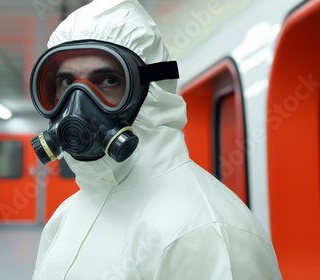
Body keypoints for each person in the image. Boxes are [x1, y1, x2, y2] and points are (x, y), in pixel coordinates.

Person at [29, 0, 282, 279]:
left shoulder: (203, 231)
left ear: (150, 93)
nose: (77, 105)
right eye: (66, 83)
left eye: (109, 81)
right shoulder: (67, 216)